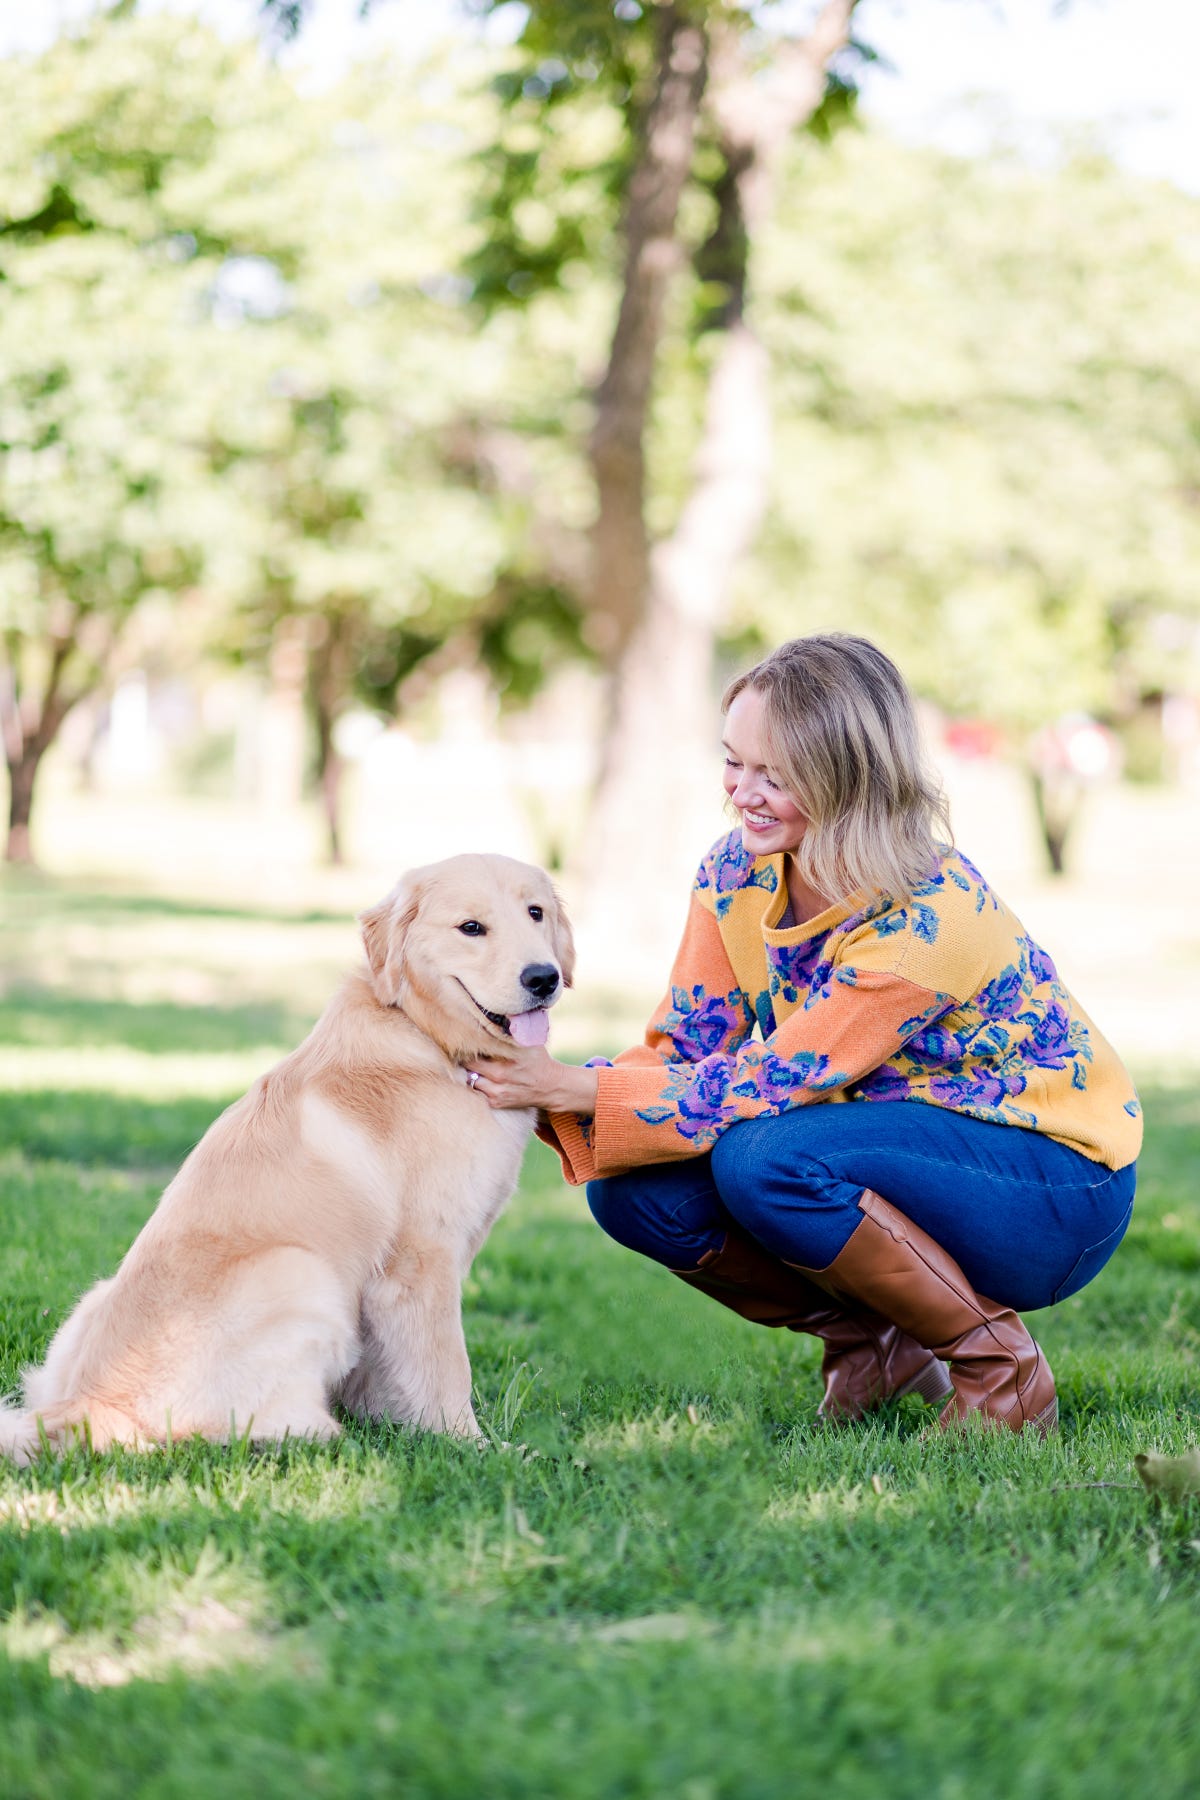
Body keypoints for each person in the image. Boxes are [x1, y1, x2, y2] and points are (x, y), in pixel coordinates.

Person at [466, 635, 1142, 1435]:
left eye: (775, 775)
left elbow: (772, 1084)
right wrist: (556, 1096)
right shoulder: (736, 873)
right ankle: (875, 1348)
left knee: (766, 1156)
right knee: (634, 1187)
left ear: (846, 778)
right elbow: (689, 1049)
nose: (742, 793)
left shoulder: (931, 915)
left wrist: (575, 1087)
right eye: (734, 762)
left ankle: (1001, 1370)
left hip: (1051, 1185)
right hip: (887, 1152)